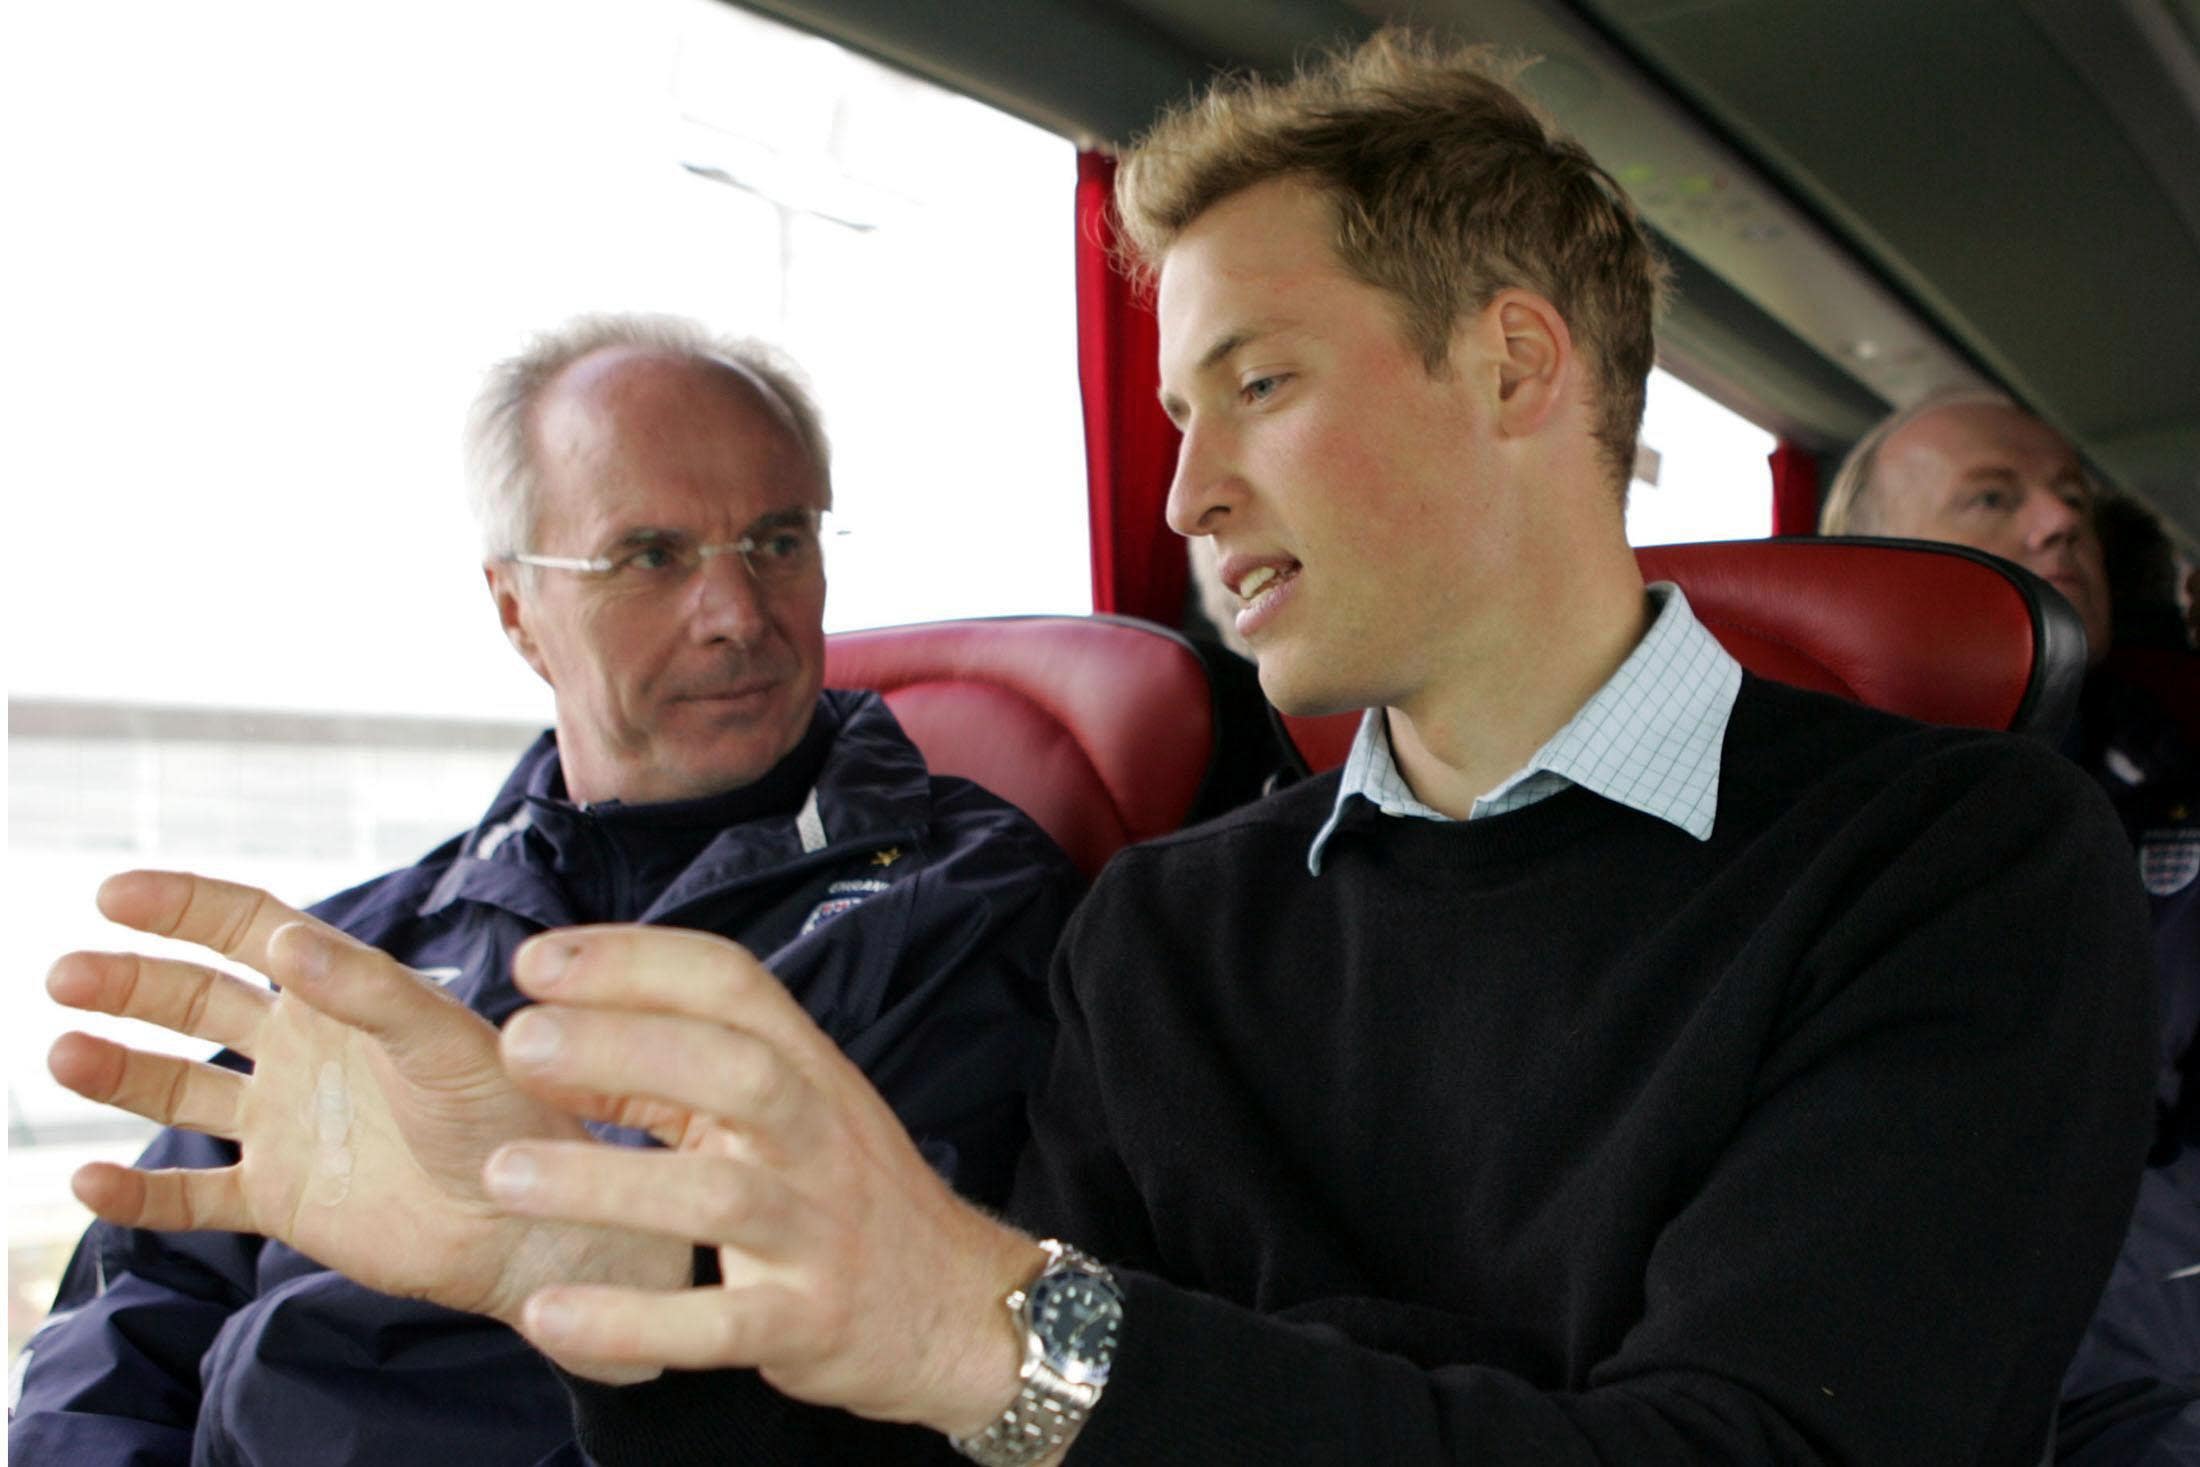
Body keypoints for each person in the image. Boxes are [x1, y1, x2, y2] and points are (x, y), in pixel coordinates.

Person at [40, 34, 2159, 1466]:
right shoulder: (1171, 922)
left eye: (1252, 384)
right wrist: (594, 1273)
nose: (1187, 495)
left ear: (1510, 364)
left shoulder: (1953, 859)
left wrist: (1024, 1333)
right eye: (1173, 416)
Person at [11, 314, 1081, 1466]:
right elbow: (136, 1303)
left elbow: (899, 1341)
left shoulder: (962, 903)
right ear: (516, 610)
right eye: (652, 557)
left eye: (778, 541)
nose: (737, 614)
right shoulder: (367, 948)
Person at [1822, 391, 2200, 1462]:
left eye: (2071, 497)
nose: (2057, 521)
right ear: (1869, 556)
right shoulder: (1751, 791)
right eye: (1994, 497)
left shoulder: (2179, 777)